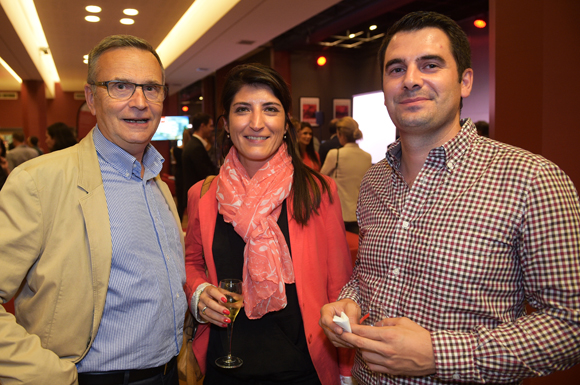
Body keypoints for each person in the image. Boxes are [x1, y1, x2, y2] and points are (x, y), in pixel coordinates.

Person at [319, 11, 580, 384]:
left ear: (465, 81)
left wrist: (438, 354)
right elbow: (369, 276)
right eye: (396, 69)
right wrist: (350, 300)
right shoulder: (375, 178)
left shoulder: (530, 179)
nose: (410, 80)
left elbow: (570, 323)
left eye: (430, 65)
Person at [0, 34, 186, 385]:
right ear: (91, 98)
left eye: (151, 88)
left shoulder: (158, 184)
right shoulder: (39, 182)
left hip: (168, 374)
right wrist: (47, 376)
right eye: (120, 86)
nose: (139, 102)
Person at [184, 63, 354, 385]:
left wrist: (346, 372)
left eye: (270, 109)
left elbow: (340, 288)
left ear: (286, 123)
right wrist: (198, 292)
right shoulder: (203, 195)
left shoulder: (318, 192)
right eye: (243, 109)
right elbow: (192, 263)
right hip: (225, 370)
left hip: (302, 370)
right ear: (226, 122)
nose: (257, 123)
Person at [320, 117, 371, 234]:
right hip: (359, 214)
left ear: (340, 134)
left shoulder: (335, 154)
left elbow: (321, 179)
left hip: (338, 213)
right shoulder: (367, 157)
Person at [181, 112, 218, 214]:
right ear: (202, 126)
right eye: (210, 126)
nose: (212, 129)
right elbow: (206, 174)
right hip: (199, 196)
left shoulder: (193, 144)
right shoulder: (196, 147)